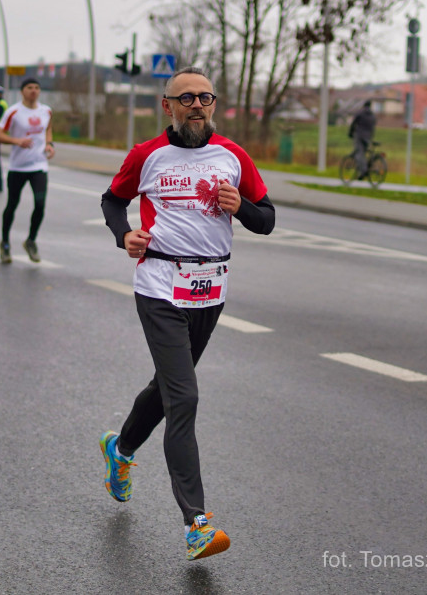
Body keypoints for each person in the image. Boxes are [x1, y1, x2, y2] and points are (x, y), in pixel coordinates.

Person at [98, 66, 275, 562]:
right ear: (168, 106)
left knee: (167, 387)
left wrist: (240, 206)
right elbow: (113, 200)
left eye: (206, 97)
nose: (197, 105)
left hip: (210, 291)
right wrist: (123, 234)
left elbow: (267, 220)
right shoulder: (147, 156)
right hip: (159, 285)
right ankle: (197, 523)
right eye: (187, 98)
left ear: (213, 104)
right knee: (185, 397)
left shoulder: (234, 157)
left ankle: (122, 448)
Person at [0, 77, 54, 264]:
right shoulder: (14, 111)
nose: (33, 91)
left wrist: (50, 144)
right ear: (22, 91)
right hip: (18, 167)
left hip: (39, 166)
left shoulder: (46, 111)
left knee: (40, 204)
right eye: (29, 88)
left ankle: (31, 241)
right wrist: (17, 141)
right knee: (12, 205)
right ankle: (4, 243)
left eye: (36, 87)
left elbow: (48, 128)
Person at [348, 100, 376, 179]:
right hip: (368, 137)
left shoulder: (360, 113)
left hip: (359, 135)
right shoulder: (372, 115)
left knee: (359, 153)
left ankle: (363, 171)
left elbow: (354, 123)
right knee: (364, 153)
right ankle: (366, 167)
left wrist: (350, 133)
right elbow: (373, 126)